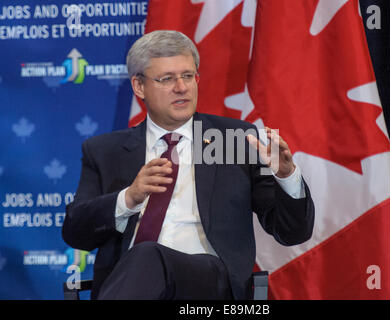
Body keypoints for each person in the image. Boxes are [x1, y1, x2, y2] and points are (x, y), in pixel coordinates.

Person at [62, 30, 314, 300]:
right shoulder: (105, 151)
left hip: (210, 286)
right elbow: (76, 233)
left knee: (148, 253)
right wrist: (129, 198)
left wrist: (286, 177)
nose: (181, 87)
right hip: (133, 283)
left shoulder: (235, 140)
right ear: (139, 86)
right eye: (167, 79)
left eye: (188, 76)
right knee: (145, 257)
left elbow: (292, 232)